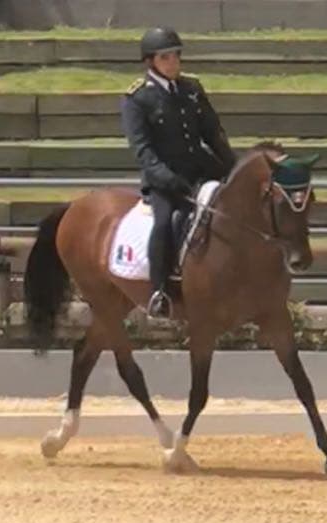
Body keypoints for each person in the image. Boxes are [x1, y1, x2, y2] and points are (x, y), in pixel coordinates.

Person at [120, 27, 236, 317]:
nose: (173, 62)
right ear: (151, 61)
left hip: (201, 170)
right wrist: (170, 181)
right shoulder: (138, 98)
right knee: (164, 223)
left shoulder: (192, 89)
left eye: (176, 56)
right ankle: (160, 291)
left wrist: (234, 168)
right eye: (165, 57)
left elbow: (213, 135)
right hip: (165, 180)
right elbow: (143, 151)